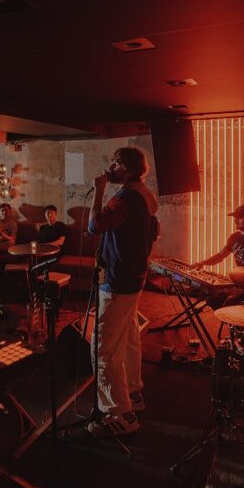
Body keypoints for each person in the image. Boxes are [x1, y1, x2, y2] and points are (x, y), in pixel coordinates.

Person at [86, 147, 159, 437]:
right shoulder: (145, 195)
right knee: (128, 338)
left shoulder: (124, 198)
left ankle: (119, 413)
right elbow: (153, 232)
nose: (110, 168)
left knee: (102, 348)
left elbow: (95, 225)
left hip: (117, 282)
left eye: (113, 163)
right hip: (134, 277)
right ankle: (133, 393)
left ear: (126, 168)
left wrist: (99, 191)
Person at [191, 204, 244, 270]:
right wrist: (202, 263)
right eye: (235, 218)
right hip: (242, 280)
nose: (236, 221)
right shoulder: (234, 237)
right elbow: (220, 256)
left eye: (240, 217)